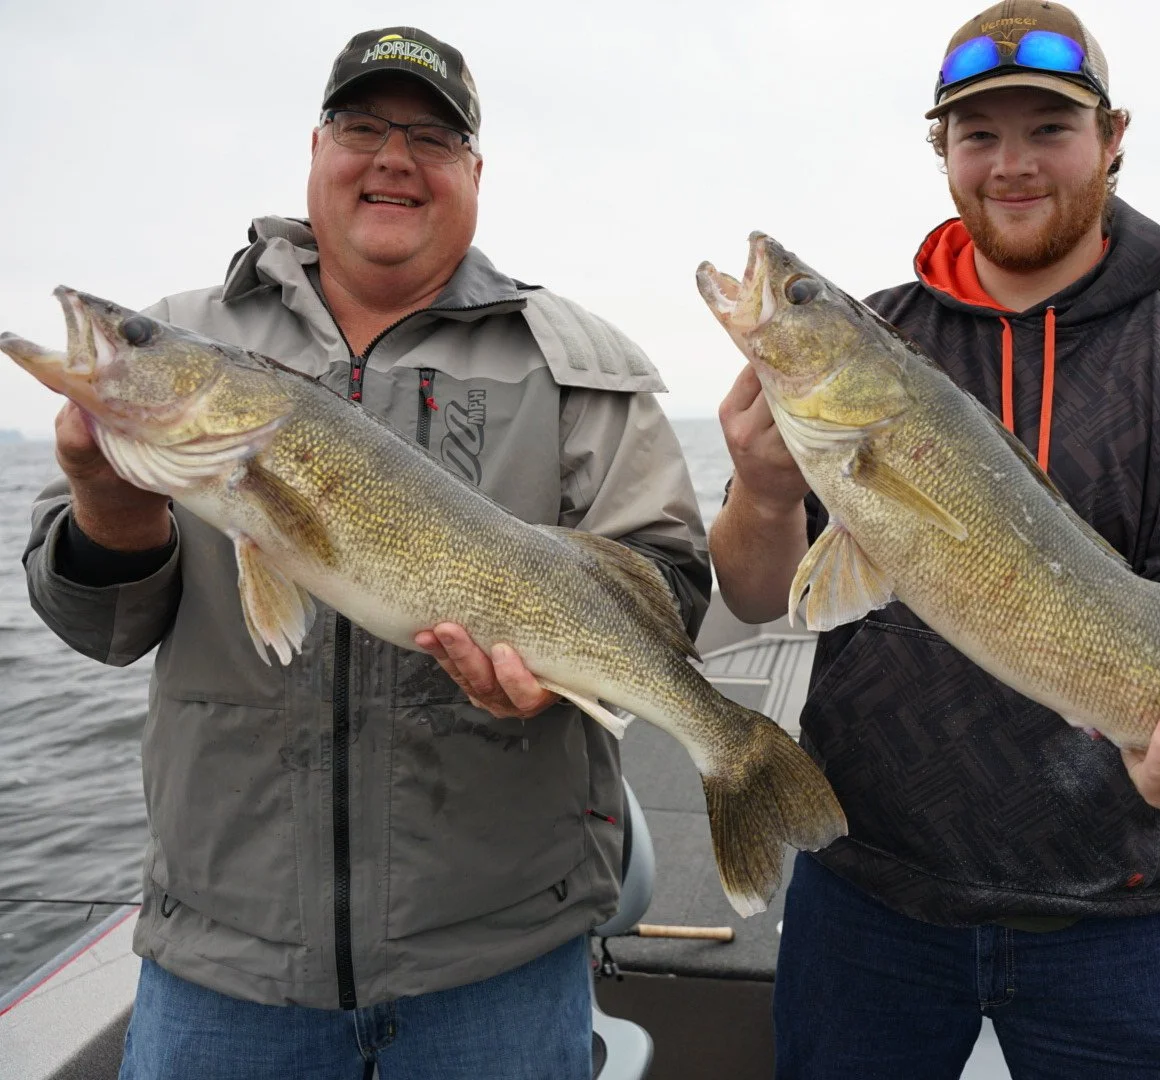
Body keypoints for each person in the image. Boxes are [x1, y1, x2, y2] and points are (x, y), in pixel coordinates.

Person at [23, 26, 708, 1080]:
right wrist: (108, 505)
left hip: (501, 954)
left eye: (431, 137)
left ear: (474, 173)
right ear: (314, 149)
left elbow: (663, 582)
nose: (393, 157)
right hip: (224, 954)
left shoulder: (580, 366)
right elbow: (99, 629)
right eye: (362, 127)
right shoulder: (187, 332)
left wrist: (553, 672)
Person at [710, 2, 1160, 1077]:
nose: (1010, 163)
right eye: (976, 134)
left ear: (1111, 137)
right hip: (868, 888)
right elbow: (766, 597)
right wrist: (765, 494)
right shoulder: (874, 343)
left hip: (1120, 914)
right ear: (942, 152)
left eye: (1047, 129)